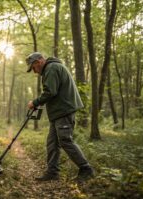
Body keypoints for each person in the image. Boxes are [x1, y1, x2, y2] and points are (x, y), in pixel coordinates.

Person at [26, 52, 94, 181]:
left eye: (33, 67)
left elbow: (50, 91)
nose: (34, 71)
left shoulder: (51, 68)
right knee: (52, 143)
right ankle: (52, 172)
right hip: (58, 112)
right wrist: (38, 103)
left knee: (65, 140)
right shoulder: (51, 68)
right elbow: (52, 92)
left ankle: (86, 168)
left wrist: (34, 103)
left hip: (64, 110)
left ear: (39, 61)